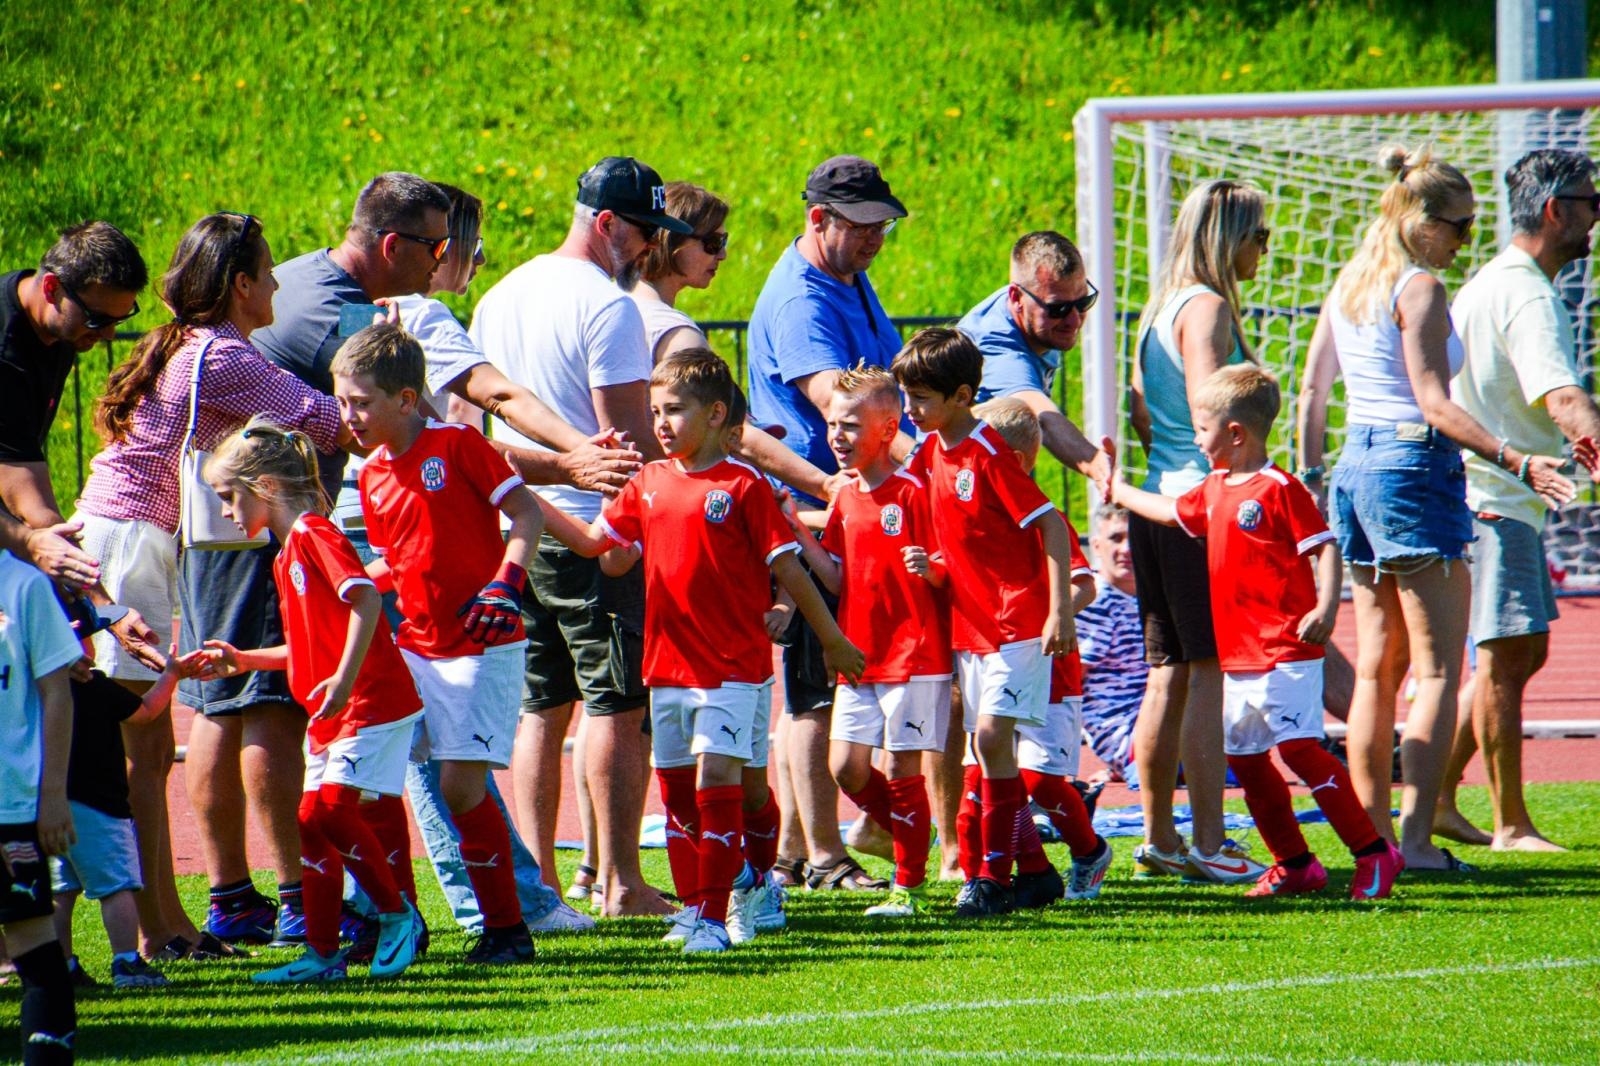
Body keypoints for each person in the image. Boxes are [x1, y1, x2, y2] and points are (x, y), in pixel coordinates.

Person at [1296, 144, 1575, 872]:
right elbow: (1433, 403)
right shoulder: (1416, 288)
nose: (1464, 240)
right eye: (1457, 225)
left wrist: (1314, 476)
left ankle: (1374, 841)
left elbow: (1312, 393)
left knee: (1376, 673)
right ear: (1418, 220)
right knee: (1439, 671)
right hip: (1412, 466)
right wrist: (1515, 459)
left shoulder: (1349, 282)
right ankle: (1415, 842)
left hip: (1356, 469)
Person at [75, 212, 345, 960]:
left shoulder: (192, 347)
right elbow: (324, 420)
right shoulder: (223, 354)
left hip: (128, 540)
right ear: (240, 285)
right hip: (133, 546)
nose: (279, 285)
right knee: (139, 749)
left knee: (151, 746)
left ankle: (168, 923)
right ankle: (157, 928)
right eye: (267, 271)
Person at [535, 349, 865, 953]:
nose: (660, 423)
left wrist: (832, 637)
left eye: (674, 410)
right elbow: (603, 552)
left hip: (733, 667)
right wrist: (529, 501)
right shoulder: (647, 483)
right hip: (667, 667)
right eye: (655, 411)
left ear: (716, 414)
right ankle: (740, 884)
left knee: (724, 784)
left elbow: (789, 570)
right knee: (684, 796)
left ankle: (712, 918)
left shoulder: (744, 486)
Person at [470, 156, 687, 917]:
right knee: (616, 704)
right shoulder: (609, 305)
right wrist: (643, 523)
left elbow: (480, 425)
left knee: (542, 707)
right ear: (606, 224)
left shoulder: (501, 293)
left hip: (517, 524)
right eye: (643, 231)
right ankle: (622, 883)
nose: (649, 248)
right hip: (596, 528)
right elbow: (624, 439)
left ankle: (545, 887)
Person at [384, 182, 600, 935]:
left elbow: (480, 458)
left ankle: (421, 906)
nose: (469, 267)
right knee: (440, 753)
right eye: (462, 251)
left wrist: (569, 498)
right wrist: (578, 455)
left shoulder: (366, 319)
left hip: (387, 553)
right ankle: (503, 905)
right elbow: (495, 412)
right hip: (422, 562)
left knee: (416, 751)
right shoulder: (424, 317)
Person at [1106, 364, 1406, 901]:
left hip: (1286, 648)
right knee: (1244, 760)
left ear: (1235, 433)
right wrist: (1115, 487)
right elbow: (1169, 513)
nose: (1196, 439)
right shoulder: (1213, 488)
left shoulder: (1280, 487)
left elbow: (1325, 545)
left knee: (1299, 751)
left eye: (1201, 428)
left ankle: (1375, 853)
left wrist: (1325, 608)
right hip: (1238, 655)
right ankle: (1295, 864)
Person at [333, 322, 544, 964]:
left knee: (460, 791)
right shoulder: (368, 476)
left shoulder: (457, 445)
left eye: (360, 402)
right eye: (342, 402)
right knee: (374, 776)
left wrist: (506, 584)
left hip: (482, 647)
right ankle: (403, 919)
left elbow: (528, 515)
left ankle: (507, 929)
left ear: (404, 400)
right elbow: (398, 563)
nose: (349, 416)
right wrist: (340, 584)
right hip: (415, 647)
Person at [195, 417, 424, 983]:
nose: (226, 511)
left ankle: (398, 919)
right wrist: (247, 660)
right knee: (311, 823)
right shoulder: (283, 554)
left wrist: (343, 682)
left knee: (326, 810)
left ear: (266, 487)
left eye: (229, 497)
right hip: (335, 712)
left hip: (370, 703)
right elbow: (307, 642)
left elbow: (366, 601)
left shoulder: (315, 534)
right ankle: (323, 955)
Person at [747, 155, 913, 890]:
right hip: (819, 515)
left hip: (838, 511)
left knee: (826, 685)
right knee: (820, 690)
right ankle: (827, 855)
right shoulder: (802, 299)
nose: (877, 238)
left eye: (884, 225)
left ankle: (791, 853)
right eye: (864, 226)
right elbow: (836, 403)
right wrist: (931, 470)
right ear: (819, 221)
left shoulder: (844, 272)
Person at [1437, 149, 1600, 852]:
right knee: (1504, 657)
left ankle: (1436, 797)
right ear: (1557, 211)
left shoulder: (1491, 282)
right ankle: (1510, 824)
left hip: (1495, 494)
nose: (1597, 219)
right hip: (1496, 494)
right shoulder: (1529, 293)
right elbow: (1561, 395)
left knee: (1521, 650)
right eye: (1592, 204)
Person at [893, 327, 1078, 918]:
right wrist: (934, 565)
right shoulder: (929, 454)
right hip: (971, 626)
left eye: (921, 398)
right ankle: (1039, 873)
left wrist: (1058, 611)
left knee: (994, 740)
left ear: (962, 396)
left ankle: (990, 880)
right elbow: (968, 542)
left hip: (1016, 620)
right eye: (907, 396)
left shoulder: (988, 453)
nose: (911, 409)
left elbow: (1049, 525)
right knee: (986, 749)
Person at [1125, 179, 1269, 886]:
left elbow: (1141, 411)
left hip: (1156, 499)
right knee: (1205, 674)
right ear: (1227, 237)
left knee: (1169, 675)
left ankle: (1159, 838)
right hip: (1196, 508)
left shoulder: (1159, 306)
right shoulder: (1207, 307)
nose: (1264, 250)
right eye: (1257, 236)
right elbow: (1215, 421)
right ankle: (1210, 840)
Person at [779, 365, 950, 917]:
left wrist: (932, 567)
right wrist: (798, 531)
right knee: (847, 767)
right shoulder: (847, 497)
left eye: (850, 424)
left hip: (914, 653)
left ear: (887, 428)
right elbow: (836, 579)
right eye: (832, 423)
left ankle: (909, 883)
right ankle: (910, 834)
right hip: (861, 653)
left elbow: (951, 561)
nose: (836, 436)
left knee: (902, 769)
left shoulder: (916, 490)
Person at [973, 397, 1112, 903]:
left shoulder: (1043, 515)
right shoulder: (979, 517)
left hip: (1052, 670)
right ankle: (1004, 872)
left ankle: (1089, 851)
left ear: (1022, 462)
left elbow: (1084, 583)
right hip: (1000, 661)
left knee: (1042, 781)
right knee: (992, 770)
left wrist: (1056, 616)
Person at [0, 221, 153, 598]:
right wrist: (104, 607)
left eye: (121, 319)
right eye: (100, 320)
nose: (109, 335)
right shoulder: (6, 356)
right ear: (51, 287)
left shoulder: (59, 325)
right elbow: (31, 507)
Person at [51, 610, 193, 990]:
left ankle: (61, 964)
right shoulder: (94, 685)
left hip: (50, 807)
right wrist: (171, 675)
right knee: (118, 887)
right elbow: (146, 712)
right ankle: (126, 961)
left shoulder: (37, 689)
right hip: (101, 808)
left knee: (60, 891)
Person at [0, 545, 86, 1064]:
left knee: (33, 944)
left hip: (12, 805)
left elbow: (57, 693)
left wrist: (52, 795)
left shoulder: (25, 586)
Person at [1075, 505, 1146, 787]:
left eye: (1134, 539)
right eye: (1116, 538)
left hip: (1148, 725)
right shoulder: (1097, 600)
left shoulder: (1143, 594)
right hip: (1125, 734)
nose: (1126, 549)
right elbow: (1072, 676)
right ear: (1096, 545)